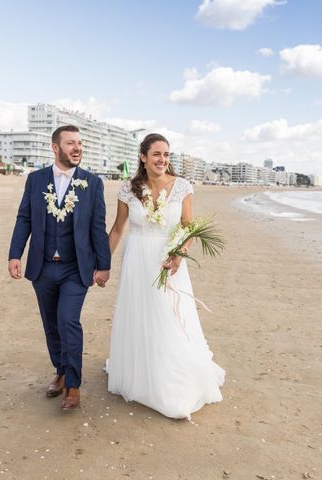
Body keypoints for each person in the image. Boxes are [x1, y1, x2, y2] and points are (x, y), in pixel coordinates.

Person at [105, 133, 225, 420]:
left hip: (166, 262)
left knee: (167, 317)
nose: (162, 160)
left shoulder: (182, 187)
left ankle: (171, 384)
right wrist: (102, 264)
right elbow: (118, 229)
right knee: (140, 315)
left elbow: (189, 228)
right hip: (136, 260)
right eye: (156, 154)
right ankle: (141, 376)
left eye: (166, 155)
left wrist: (179, 254)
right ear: (143, 157)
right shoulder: (127, 190)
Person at [8, 125, 111, 411]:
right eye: (70, 143)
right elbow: (24, 218)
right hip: (42, 267)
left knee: (68, 321)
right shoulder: (35, 180)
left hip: (75, 269)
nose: (77, 148)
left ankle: (73, 387)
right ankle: (61, 370)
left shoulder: (92, 183)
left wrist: (104, 265)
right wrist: (15, 254)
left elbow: (97, 227)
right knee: (51, 325)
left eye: (80, 143)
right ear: (55, 147)